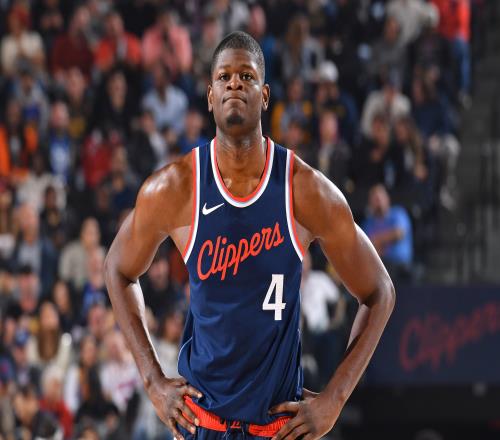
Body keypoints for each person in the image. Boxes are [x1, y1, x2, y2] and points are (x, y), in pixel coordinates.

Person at [104, 32, 395, 440]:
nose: (235, 84)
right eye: (224, 77)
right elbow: (117, 269)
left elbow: (380, 291)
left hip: (276, 429)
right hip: (201, 425)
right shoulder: (176, 188)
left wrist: (335, 398)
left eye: (246, 76)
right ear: (210, 97)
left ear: (265, 95)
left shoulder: (305, 190)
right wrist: (152, 380)